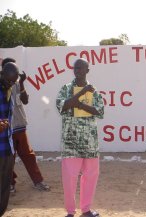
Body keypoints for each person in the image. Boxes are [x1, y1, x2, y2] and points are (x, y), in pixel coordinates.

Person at [56, 58, 104, 217]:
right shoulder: (66, 88)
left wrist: (81, 105)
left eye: (81, 68)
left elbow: (100, 112)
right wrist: (82, 93)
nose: (77, 71)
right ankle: (70, 212)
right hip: (71, 142)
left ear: (87, 70)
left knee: (91, 176)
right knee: (69, 178)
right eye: (75, 68)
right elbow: (62, 106)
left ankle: (86, 209)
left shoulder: (94, 91)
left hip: (90, 142)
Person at [1, 58, 50, 192]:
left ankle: (38, 181)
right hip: (4, 129)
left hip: (19, 126)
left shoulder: (17, 82)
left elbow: (25, 101)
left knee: (28, 155)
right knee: (7, 158)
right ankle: (10, 183)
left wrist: (22, 83)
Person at [0, 62, 19, 216]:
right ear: (2, 75)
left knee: (5, 185)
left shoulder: (9, 89)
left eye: (14, 81)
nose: (11, 84)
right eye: (9, 81)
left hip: (7, 147)